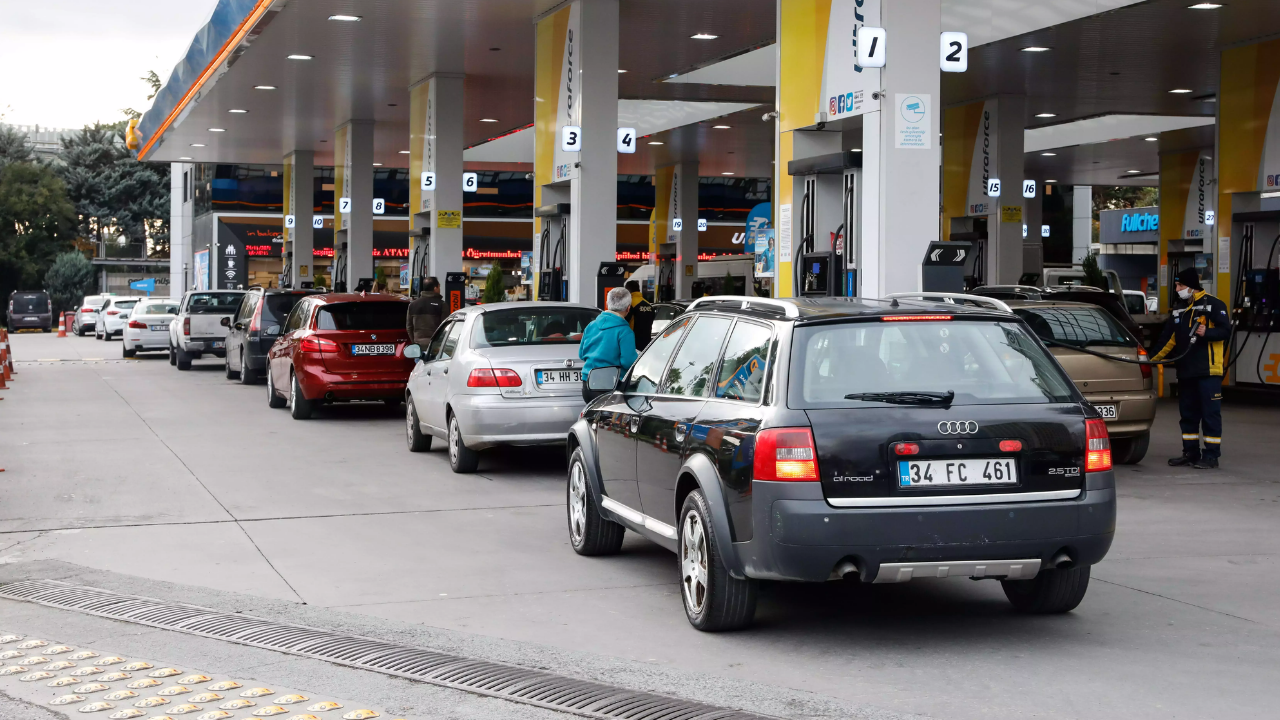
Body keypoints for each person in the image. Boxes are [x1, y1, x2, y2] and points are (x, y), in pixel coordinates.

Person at [1151, 267, 1231, 469]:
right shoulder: (1179, 309)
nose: (1177, 289)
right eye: (1177, 285)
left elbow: (1226, 331)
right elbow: (1168, 340)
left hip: (1208, 371)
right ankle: (1190, 453)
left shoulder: (1214, 305)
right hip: (1186, 371)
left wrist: (1207, 332)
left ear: (1192, 287)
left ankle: (1211, 456)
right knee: (1188, 415)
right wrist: (1149, 359)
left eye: (1180, 285)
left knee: (1210, 414)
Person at [578, 287, 638, 402]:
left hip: (588, 385)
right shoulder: (625, 331)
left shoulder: (591, 325)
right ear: (628, 308)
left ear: (607, 304)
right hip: (611, 386)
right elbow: (628, 361)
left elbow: (581, 354)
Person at [406, 276, 445, 352]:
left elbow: (409, 327)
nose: (440, 289)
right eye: (439, 286)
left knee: (420, 364)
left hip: (419, 347)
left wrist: (414, 342)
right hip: (436, 348)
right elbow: (446, 328)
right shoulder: (442, 305)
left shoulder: (413, 305)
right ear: (435, 288)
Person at [625, 280, 654, 350]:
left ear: (628, 290)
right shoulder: (649, 305)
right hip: (647, 343)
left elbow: (625, 323)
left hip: (633, 343)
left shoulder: (630, 304)